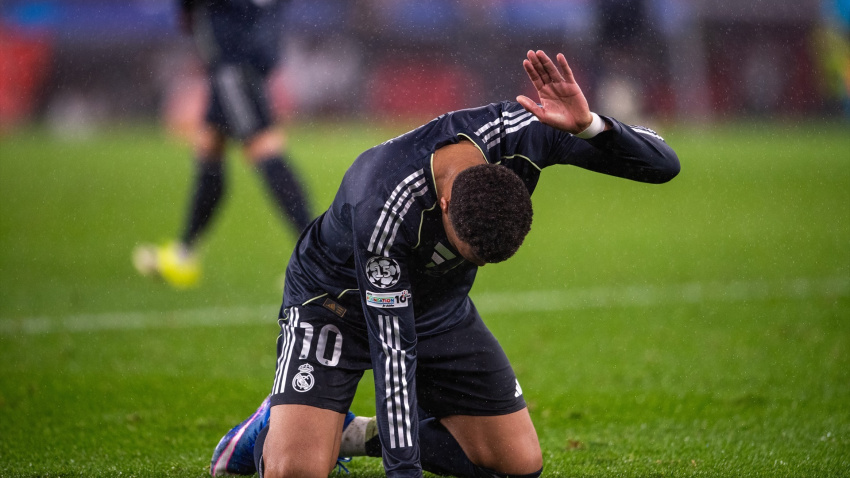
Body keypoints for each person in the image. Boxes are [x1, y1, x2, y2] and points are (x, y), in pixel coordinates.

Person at [209, 50, 680, 477]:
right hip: (335, 302)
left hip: (438, 306)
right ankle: (273, 422)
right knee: (296, 473)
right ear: (448, 202)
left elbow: (663, 166)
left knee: (518, 465)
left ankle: (349, 434)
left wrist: (590, 126)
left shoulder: (528, 133)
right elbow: (393, 356)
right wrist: (404, 474)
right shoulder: (383, 205)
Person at [133, 0, 312, 288]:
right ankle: (185, 251)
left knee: (265, 149)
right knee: (210, 146)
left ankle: (319, 260)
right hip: (245, 54)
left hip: (234, 59)